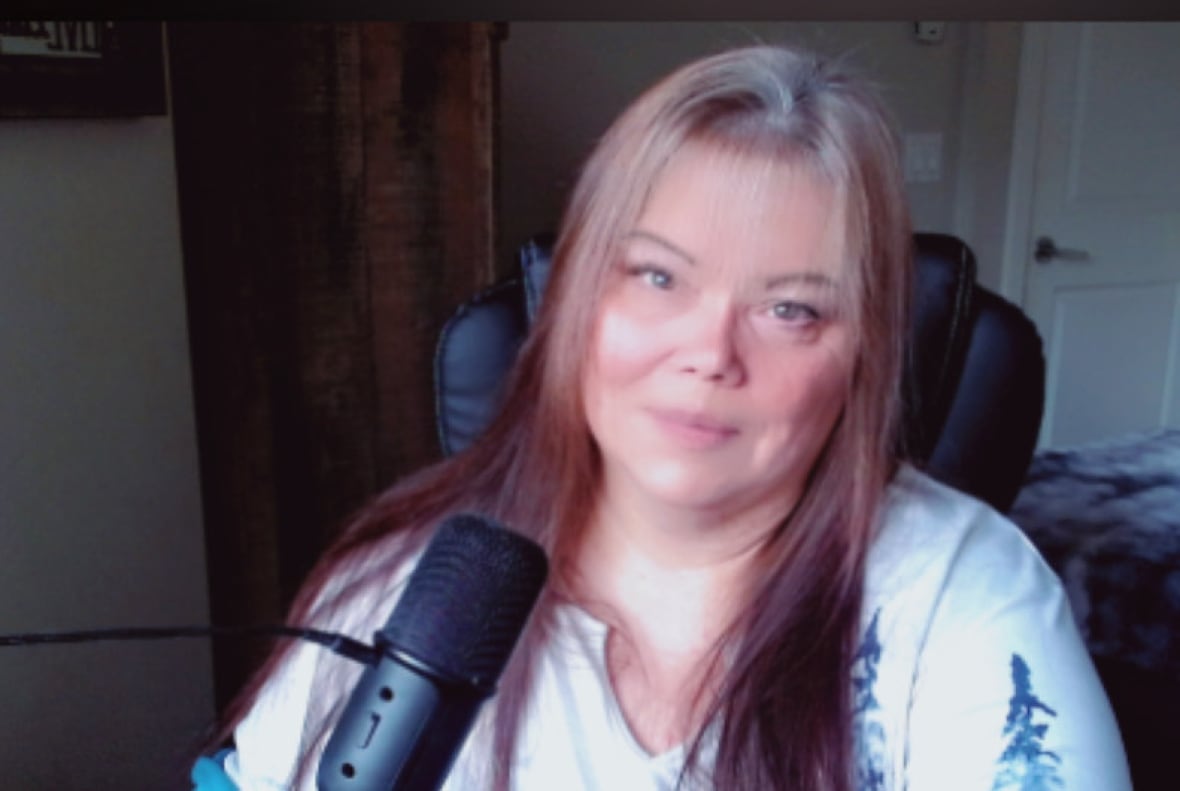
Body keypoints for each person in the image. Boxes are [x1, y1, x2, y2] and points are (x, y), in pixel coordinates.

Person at [194, 44, 1131, 790]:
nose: (710, 352)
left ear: (863, 359)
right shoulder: (401, 586)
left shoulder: (964, 598)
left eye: (790, 308)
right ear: (573, 304)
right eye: (656, 276)